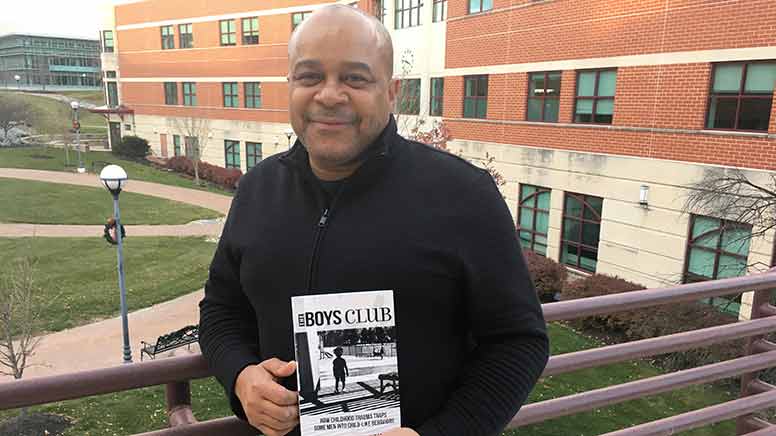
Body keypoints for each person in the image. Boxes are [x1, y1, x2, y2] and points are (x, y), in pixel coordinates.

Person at [198, 5, 549, 436]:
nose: (329, 95)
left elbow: (518, 342)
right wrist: (239, 376)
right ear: (289, 85)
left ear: (391, 90)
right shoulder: (257, 190)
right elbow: (220, 312)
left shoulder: (464, 196)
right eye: (310, 76)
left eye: (355, 78)